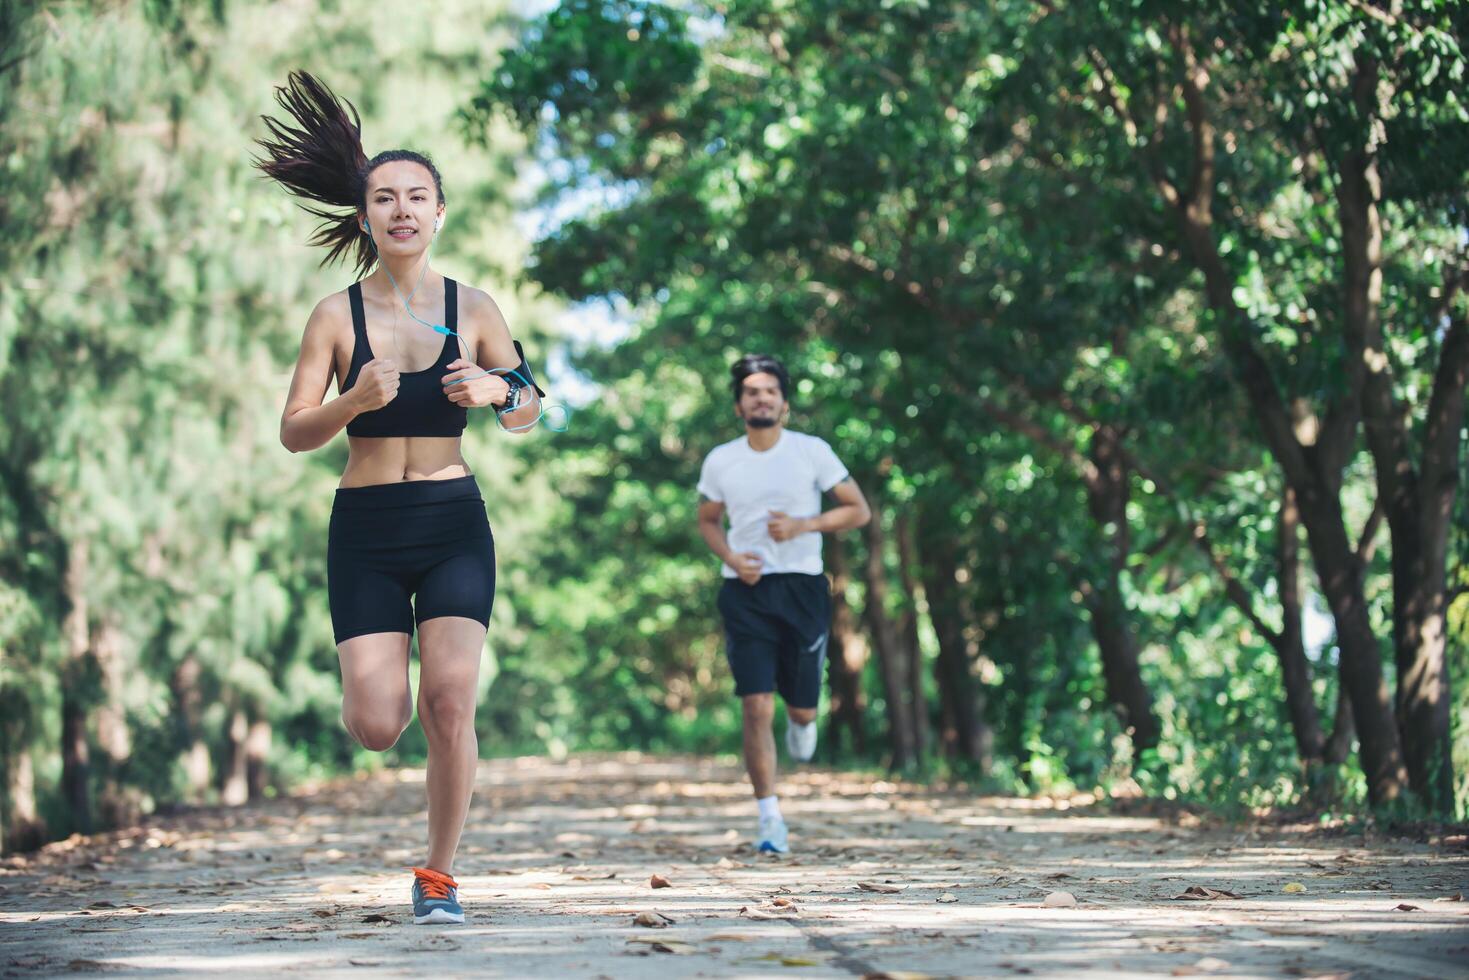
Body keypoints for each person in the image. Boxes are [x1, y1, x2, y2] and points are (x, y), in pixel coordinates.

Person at [256, 71, 545, 924]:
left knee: (449, 698)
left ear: (439, 213)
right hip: (367, 528)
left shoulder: (475, 306)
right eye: (384, 198)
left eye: (417, 196)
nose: (402, 210)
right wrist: (352, 401)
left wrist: (499, 394)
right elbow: (294, 431)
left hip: (454, 520)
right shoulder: (334, 317)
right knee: (379, 724)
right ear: (365, 218)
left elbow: (532, 407)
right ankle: (377, 710)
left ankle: (438, 876)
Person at [696, 354, 871, 853]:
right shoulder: (721, 460)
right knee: (755, 705)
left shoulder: (812, 452)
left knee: (800, 708)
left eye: (770, 391)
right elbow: (708, 519)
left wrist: (802, 525)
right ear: (739, 406)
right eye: (752, 391)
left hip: (802, 587)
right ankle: (769, 818)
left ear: (784, 404)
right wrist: (730, 554)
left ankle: (803, 720)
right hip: (745, 591)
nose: (762, 397)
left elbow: (858, 510)